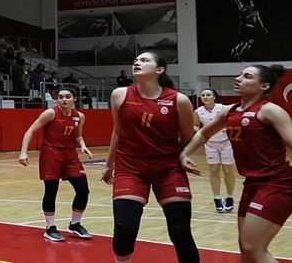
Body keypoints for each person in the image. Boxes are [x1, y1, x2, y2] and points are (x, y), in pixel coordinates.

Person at [181, 65, 292, 263]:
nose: (239, 78)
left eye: (247, 76)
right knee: (246, 250)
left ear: (264, 86)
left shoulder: (270, 111)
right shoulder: (229, 111)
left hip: (277, 184)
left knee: (253, 248)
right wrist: (184, 153)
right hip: (252, 183)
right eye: (240, 74)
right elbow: (204, 133)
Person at [101, 51, 199, 263]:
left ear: (159, 70)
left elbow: (187, 136)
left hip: (169, 168)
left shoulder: (179, 100)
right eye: (136, 60)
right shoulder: (120, 94)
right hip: (130, 168)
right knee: (125, 227)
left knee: (180, 231)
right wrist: (109, 164)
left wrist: (182, 156)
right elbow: (117, 132)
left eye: (144, 60)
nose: (137, 62)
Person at [18, 89, 93, 242]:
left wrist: (83, 145)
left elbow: (78, 135)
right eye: (60, 97)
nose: (64, 100)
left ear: (74, 98)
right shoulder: (50, 113)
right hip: (51, 153)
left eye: (67, 97)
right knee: (51, 190)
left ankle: (75, 224)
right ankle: (50, 227)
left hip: (70, 154)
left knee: (83, 189)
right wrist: (23, 152)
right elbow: (30, 130)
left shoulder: (80, 116)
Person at [192, 88, 236, 212]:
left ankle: (230, 197)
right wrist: (201, 132)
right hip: (210, 144)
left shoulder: (223, 108)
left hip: (226, 142)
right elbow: (195, 125)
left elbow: (233, 121)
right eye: (203, 95)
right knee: (214, 170)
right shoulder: (198, 111)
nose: (205, 97)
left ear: (214, 97)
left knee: (228, 170)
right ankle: (217, 198)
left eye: (208, 95)